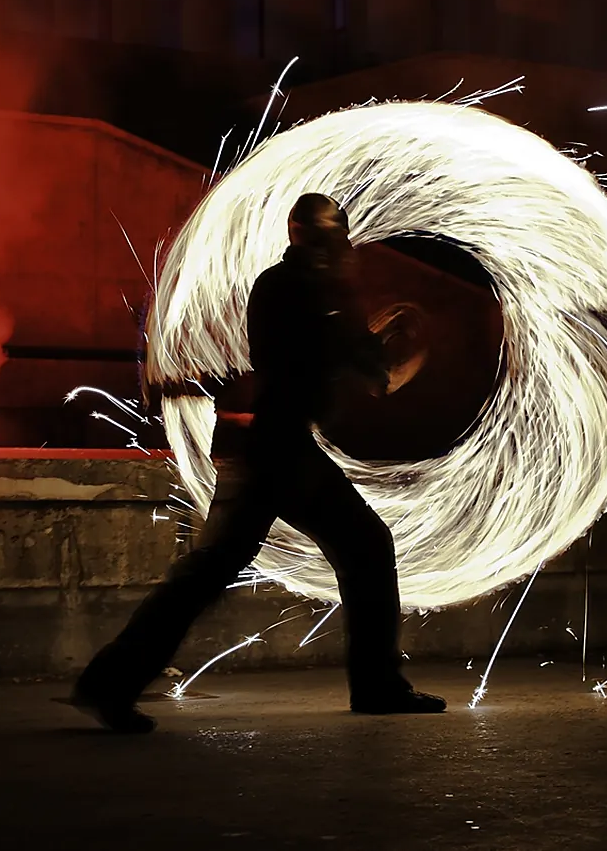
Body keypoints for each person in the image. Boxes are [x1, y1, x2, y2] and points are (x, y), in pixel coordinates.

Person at [72, 193, 446, 732]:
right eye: (333, 240)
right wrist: (379, 348)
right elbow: (355, 368)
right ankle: (377, 686)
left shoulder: (287, 285)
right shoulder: (310, 290)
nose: (339, 250)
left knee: (213, 570)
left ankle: (108, 684)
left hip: (266, 446)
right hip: (279, 449)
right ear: (320, 239)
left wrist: (367, 345)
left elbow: (339, 360)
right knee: (362, 546)